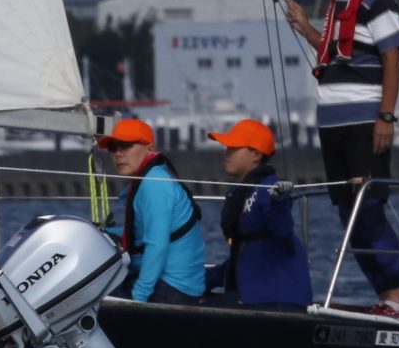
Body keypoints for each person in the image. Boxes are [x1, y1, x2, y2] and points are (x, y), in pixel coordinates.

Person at [280, 0, 399, 314]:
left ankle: (396, 300)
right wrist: (305, 28)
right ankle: (385, 299)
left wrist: (385, 116)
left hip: (362, 123)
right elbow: (334, 55)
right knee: (347, 215)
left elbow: (392, 54)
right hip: (333, 125)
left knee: (367, 210)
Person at [95, 117, 205, 304]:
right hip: (174, 285)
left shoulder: (154, 183)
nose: (118, 154)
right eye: (113, 147)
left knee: (90, 298)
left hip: (174, 289)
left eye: (126, 145)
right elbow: (141, 233)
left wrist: (138, 298)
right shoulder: (150, 178)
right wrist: (103, 232)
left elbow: (157, 244)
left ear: (150, 148)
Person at [204, 118, 311, 308]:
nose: (226, 152)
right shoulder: (243, 193)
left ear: (255, 154)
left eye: (233, 147)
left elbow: (282, 229)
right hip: (254, 294)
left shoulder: (268, 188)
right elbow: (244, 257)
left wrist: (278, 201)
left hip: (275, 300)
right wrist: (199, 279)